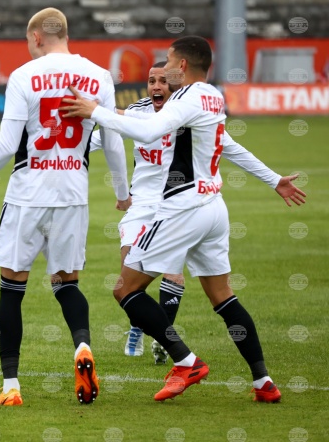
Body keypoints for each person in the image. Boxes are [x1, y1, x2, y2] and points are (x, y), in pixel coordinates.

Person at [61, 35, 306, 402]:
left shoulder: (188, 98)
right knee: (223, 297)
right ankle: (263, 382)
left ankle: (186, 361)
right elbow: (224, 143)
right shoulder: (212, 96)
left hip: (182, 208)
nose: (167, 67)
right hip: (213, 208)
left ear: (183, 65)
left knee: (125, 289)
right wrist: (273, 179)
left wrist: (94, 111)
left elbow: (148, 130)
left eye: (171, 61)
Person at [0, 8, 130, 406]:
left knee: (12, 288)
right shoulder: (99, 76)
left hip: (27, 194)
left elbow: (6, 145)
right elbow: (114, 142)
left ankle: (11, 387)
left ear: (37, 37)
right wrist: (122, 192)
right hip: (73, 194)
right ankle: (82, 348)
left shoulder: (24, 76)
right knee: (67, 282)